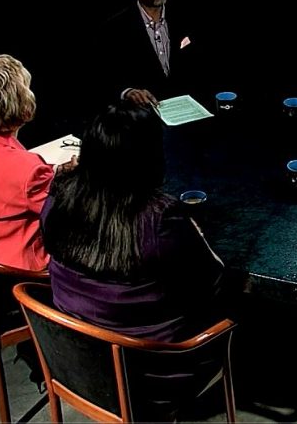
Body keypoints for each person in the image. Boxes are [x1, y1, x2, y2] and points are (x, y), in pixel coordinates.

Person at [41, 102, 225, 420]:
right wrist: (193, 229)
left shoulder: (58, 200)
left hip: (76, 364)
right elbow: (212, 280)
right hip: (154, 375)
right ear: (150, 158)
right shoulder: (160, 220)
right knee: (253, 310)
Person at [0, 54, 74, 271]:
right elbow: (63, 213)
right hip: (12, 271)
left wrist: (56, 170)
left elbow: (5, 181)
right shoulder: (28, 169)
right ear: (23, 105)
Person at [97, 0, 202, 108]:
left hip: (189, 110)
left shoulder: (188, 17)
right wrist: (128, 92)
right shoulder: (114, 29)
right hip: (144, 117)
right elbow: (104, 78)